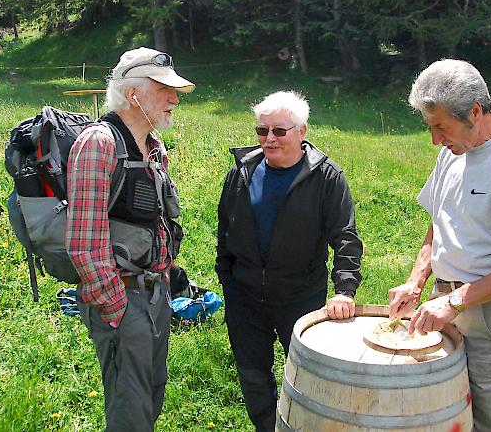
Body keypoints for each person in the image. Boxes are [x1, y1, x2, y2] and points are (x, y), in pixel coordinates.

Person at [388, 59, 491, 431]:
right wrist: (417, 282)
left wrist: (454, 301)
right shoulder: (453, 151)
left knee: (486, 416)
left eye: (440, 127)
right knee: (442, 404)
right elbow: (440, 221)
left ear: (475, 111)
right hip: (443, 299)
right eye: (430, 128)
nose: (435, 140)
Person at [216, 91, 363, 432]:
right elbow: (225, 228)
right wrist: (228, 279)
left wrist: (344, 291)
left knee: (309, 374)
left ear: (302, 131)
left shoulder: (326, 177)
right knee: (252, 375)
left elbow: (345, 236)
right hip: (245, 297)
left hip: (301, 296)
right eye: (261, 131)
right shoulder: (241, 172)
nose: (269, 139)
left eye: (279, 131)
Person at [65, 47, 195, 431]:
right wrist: (119, 311)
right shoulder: (98, 144)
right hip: (122, 298)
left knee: (152, 394)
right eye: (163, 88)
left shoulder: (154, 147)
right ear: (134, 93)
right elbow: (84, 245)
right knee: (130, 411)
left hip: (156, 294)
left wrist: (165, 283)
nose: (174, 98)